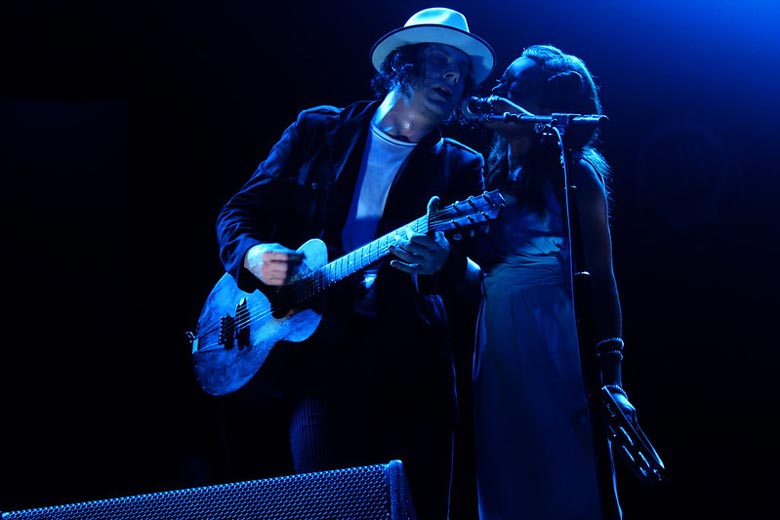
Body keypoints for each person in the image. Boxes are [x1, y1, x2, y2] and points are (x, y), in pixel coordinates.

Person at [213, 7, 495, 520]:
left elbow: (474, 276)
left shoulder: (461, 166)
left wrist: (444, 261)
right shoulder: (317, 131)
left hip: (412, 370)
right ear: (402, 65)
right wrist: (251, 255)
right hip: (320, 364)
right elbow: (239, 212)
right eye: (440, 59)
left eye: (463, 69)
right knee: (328, 505)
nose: (454, 76)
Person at [464, 44, 641, 519]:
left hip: (554, 336)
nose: (497, 92)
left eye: (513, 87)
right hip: (497, 339)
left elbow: (603, 283)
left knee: (566, 474)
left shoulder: (576, 173)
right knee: (507, 484)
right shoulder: (492, 174)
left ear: (546, 107)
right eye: (499, 84)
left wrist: (613, 380)